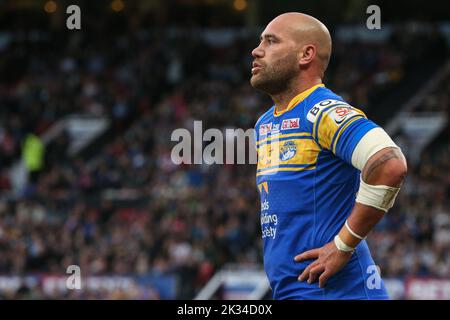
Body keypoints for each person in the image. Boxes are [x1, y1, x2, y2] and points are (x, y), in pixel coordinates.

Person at [250, 12, 407, 299]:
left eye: (271, 41)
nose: (257, 50)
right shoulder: (265, 123)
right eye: (261, 41)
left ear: (306, 55)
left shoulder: (323, 111)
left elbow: (389, 164)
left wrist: (343, 245)